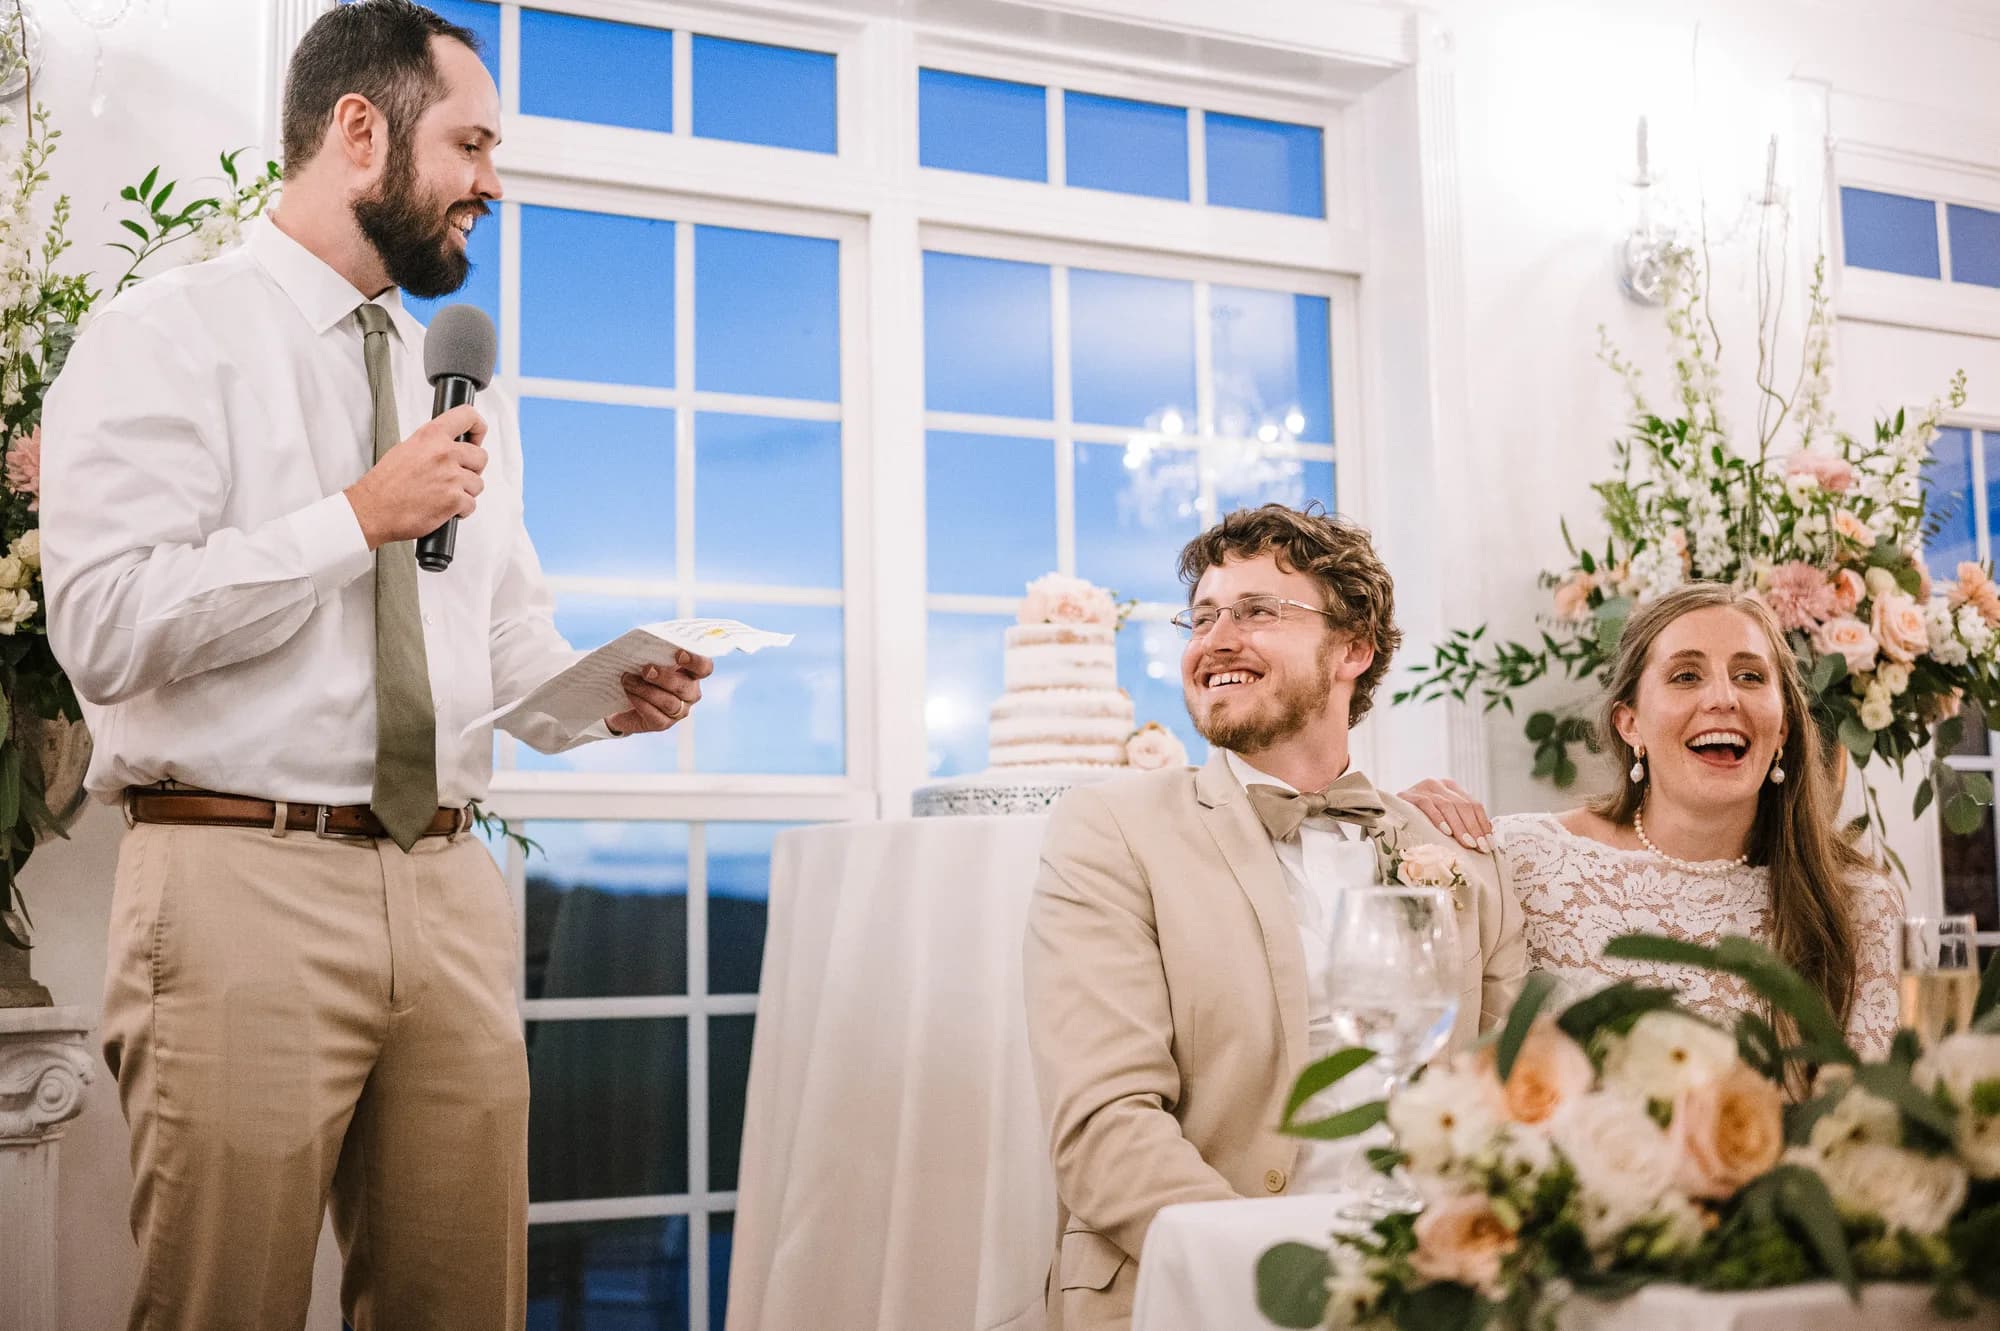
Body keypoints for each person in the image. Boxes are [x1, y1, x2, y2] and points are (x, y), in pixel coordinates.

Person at [39, 4, 708, 1327]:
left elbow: (497, 630)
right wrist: (354, 518)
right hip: (239, 881)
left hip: (451, 890)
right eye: (471, 142)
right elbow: (107, 626)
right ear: (360, 131)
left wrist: (599, 693)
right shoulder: (163, 337)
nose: (492, 182)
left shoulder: (457, 383)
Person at [1022, 504, 1527, 1331]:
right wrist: (1281, 1287)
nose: (1216, 639)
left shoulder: (1462, 855)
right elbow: (1104, 1131)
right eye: (1205, 616)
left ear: (1354, 649)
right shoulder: (1112, 831)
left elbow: (1514, 1108)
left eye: (1258, 611)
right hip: (1196, 1289)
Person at [1405, 583, 1900, 1057]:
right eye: (1686, 676)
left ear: (1783, 727)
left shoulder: (1855, 901)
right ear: (1630, 724)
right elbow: (1438, 1053)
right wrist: (1404, 829)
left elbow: (1869, 1124)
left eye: (1750, 676)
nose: (1724, 698)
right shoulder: (1519, 861)